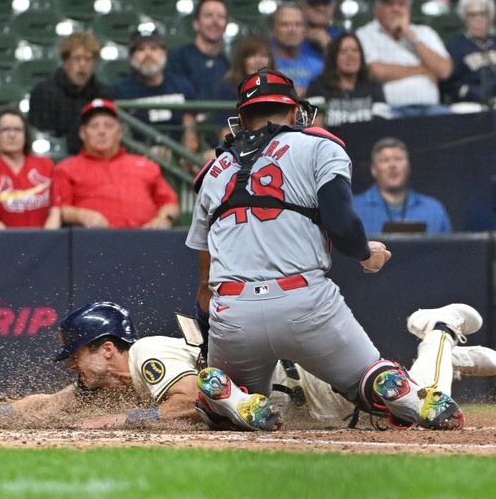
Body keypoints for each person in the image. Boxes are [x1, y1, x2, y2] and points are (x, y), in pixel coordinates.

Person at [185, 67, 467, 432]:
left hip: (235, 308)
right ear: (292, 112)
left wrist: (211, 344)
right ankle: (392, 386)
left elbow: (204, 285)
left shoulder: (213, 171)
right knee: (366, 379)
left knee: (223, 412)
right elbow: (342, 222)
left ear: (242, 118)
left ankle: (225, 396)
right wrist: (366, 254)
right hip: (305, 299)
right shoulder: (319, 145)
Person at [0, 301, 496, 430]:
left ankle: (440, 330)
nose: (72, 369)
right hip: (288, 403)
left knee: (418, 410)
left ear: (107, 348)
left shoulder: (148, 359)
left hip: (313, 394)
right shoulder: (118, 377)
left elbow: (185, 402)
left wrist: (110, 426)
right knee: (411, 408)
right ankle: (445, 353)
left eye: (76, 355)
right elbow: (49, 405)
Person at [53, 99, 180, 229]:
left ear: (120, 132)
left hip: (144, 240)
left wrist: (164, 218)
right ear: (82, 133)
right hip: (94, 241)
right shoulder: (66, 168)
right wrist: (81, 215)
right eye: (94, 126)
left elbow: (170, 202)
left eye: (108, 126)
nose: (101, 132)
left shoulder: (146, 165)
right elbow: (58, 209)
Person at [356, 0, 453, 117]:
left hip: (430, 108)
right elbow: (375, 72)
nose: (396, 9)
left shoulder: (425, 32)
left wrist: (412, 37)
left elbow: (444, 70)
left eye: (401, 4)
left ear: (409, 9)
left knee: (456, 124)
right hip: (389, 110)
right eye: (389, 4)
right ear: (376, 9)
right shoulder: (365, 34)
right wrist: (424, 69)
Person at [0, 109, 61, 229]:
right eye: (5, 129)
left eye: (18, 130)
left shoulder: (45, 165)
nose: (12, 135)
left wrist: (45, 240)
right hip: (3, 244)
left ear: (25, 136)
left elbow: (55, 211)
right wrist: (15, 244)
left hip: (45, 243)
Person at [113, 30, 199, 155]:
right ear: (131, 57)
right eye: (141, 49)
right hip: (139, 157)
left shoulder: (182, 86)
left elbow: (190, 132)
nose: (148, 54)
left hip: (179, 157)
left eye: (154, 48)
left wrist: (184, 156)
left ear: (164, 53)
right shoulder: (121, 91)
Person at [27, 32, 112, 155]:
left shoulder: (104, 94)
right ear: (65, 61)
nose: (82, 64)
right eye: (77, 58)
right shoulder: (43, 93)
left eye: (88, 59)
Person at [353, 137, 452, 234]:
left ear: (408, 166)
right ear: (373, 170)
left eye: (398, 159)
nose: (392, 165)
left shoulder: (434, 210)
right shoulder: (354, 209)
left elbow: (449, 250)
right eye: (385, 160)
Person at [305, 33, 391, 127]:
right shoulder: (317, 86)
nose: (350, 55)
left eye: (355, 50)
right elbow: (315, 129)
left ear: (361, 56)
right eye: (343, 51)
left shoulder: (374, 86)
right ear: (334, 58)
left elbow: (381, 127)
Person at [211, 36, 277, 141]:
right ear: (241, 60)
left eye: (264, 56)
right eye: (252, 56)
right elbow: (225, 133)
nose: (258, 61)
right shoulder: (227, 87)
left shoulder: (279, 88)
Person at [167, 0, 230, 101]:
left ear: (226, 25)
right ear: (196, 23)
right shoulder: (176, 59)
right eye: (208, 15)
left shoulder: (228, 66)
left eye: (221, 17)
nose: (215, 21)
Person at [269, 3, 325, 95]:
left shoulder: (318, 67)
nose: (292, 30)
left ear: (305, 30)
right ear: (273, 30)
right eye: (285, 24)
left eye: (298, 24)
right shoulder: (263, 64)